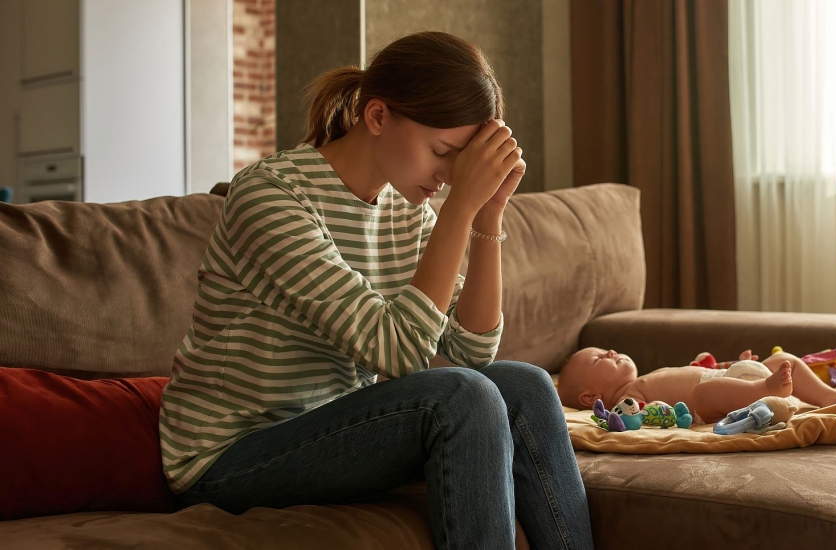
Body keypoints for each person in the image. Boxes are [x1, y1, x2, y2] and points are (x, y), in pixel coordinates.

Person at [159, 31, 593, 549]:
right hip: (230, 456)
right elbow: (400, 352)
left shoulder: (406, 210)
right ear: (378, 116)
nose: (447, 178)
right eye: (441, 152)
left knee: (526, 385)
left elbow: (470, 351)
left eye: (461, 163)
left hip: (336, 428)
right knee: (461, 397)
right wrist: (459, 209)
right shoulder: (272, 196)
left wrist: (487, 215)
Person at [556, 347, 836, 424]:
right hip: (712, 406)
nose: (610, 352)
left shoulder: (644, 377)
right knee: (703, 393)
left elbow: (697, 373)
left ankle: (829, 396)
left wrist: (735, 367)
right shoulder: (627, 400)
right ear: (591, 396)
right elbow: (643, 416)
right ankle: (765, 389)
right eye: (599, 359)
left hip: (731, 381)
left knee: (783, 359)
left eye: (606, 349)